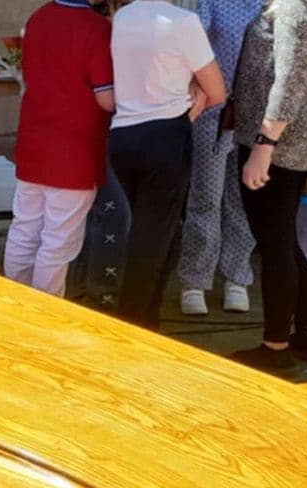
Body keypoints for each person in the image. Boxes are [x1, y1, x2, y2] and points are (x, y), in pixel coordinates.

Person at [227, 0, 307, 369]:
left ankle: (276, 348)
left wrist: (264, 146)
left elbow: (292, 76)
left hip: (279, 144)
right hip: (302, 138)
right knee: (282, 236)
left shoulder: (299, 6)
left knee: (274, 243)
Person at [108, 0, 225, 329]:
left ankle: (148, 320)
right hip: (164, 136)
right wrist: (195, 97)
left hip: (123, 135)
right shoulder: (183, 21)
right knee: (151, 239)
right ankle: (130, 327)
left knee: (166, 234)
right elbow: (217, 91)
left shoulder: (122, 17)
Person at [3, 0, 116, 296]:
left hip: (33, 142)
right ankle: (44, 315)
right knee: (57, 242)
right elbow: (107, 99)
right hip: (74, 149)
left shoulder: (38, 18)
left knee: (23, 230)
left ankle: (13, 303)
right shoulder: (95, 28)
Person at [177, 0, 261, 317]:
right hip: (212, 111)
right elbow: (194, 46)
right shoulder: (211, 2)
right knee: (206, 197)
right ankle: (195, 279)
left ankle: (237, 276)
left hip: (252, 116)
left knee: (243, 198)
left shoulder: (271, 6)